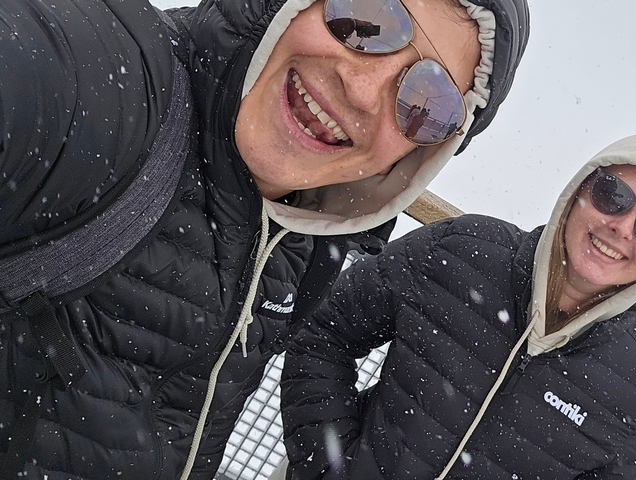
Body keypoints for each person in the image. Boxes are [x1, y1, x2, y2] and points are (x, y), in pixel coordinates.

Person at [0, 0, 529, 477]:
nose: (364, 92)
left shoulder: (304, 241)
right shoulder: (104, 88)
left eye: (427, 104)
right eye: (367, 18)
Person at [281, 132, 636, 479]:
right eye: (612, 195)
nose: (622, 227)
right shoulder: (464, 250)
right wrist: (329, 464)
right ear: (578, 191)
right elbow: (325, 333)